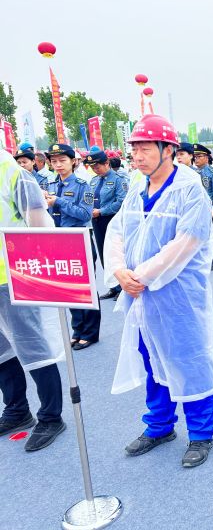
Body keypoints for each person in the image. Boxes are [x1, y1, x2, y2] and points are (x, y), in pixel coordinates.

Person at [104, 114, 213, 468]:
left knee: (188, 358)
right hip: (141, 294)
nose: (137, 156)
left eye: (145, 149)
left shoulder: (190, 189)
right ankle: (159, 425)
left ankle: (201, 433)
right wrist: (119, 270)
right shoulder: (136, 187)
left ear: (168, 149)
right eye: (134, 149)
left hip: (177, 295)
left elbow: (185, 245)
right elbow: (117, 230)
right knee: (151, 356)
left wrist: (139, 276)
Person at [0, 149, 66, 452]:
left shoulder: (12, 172)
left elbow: (38, 223)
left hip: (13, 275)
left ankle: (51, 417)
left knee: (32, 345)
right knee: (2, 350)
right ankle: (16, 410)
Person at [45, 143, 101, 350]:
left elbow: (85, 215)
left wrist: (58, 202)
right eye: (54, 161)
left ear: (73, 162)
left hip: (78, 238)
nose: (58, 165)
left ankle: (90, 332)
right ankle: (77, 329)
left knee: (87, 286)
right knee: (68, 286)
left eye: (62, 160)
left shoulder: (82, 185)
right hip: (58, 239)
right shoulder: (50, 184)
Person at [88, 149, 128, 301]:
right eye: (92, 167)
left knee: (115, 253)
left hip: (112, 220)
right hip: (97, 221)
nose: (95, 169)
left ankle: (122, 287)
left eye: (97, 166)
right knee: (104, 253)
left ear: (106, 163)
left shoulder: (118, 180)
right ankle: (113, 286)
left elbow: (121, 201)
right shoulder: (94, 181)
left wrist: (102, 211)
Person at [193, 144, 213, 270]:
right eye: (195, 157)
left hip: (210, 208)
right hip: (198, 209)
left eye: (199, 156)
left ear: (206, 157)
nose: (196, 159)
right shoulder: (192, 172)